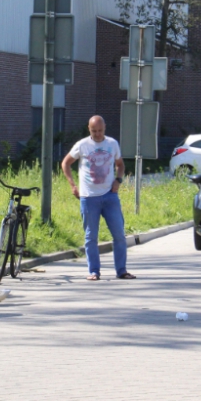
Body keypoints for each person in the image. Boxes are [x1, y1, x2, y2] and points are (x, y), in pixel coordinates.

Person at [61, 115, 135, 282]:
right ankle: (94, 271)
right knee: (91, 236)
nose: (97, 134)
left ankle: (121, 270)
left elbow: (120, 165)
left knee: (119, 234)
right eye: (94, 131)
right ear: (89, 129)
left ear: (105, 128)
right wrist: (73, 185)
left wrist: (119, 180)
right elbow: (66, 163)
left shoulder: (112, 144)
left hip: (110, 196)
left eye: (100, 130)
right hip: (88, 197)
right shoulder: (82, 145)